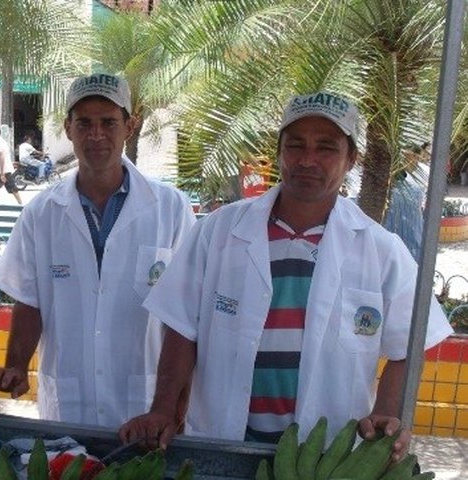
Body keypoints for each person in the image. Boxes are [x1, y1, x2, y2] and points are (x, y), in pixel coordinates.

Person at [119, 92, 453, 461]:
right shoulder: (218, 231)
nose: (307, 160)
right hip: (224, 442)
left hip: (324, 455)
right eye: (295, 145)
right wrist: (164, 408)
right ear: (279, 151)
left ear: (351, 159)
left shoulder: (382, 250)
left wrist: (387, 414)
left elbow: (408, 347)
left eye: (325, 148)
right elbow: (182, 326)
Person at [0, 73, 196, 427]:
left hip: (145, 406)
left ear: (129, 126)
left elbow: (185, 317)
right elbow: (29, 301)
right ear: (68, 128)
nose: (96, 135)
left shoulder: (170, 209)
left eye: (108, 122)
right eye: (84, 123)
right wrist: (16, 366)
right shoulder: (41, 213)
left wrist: (170, 406)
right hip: (68, 406)